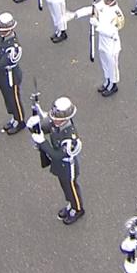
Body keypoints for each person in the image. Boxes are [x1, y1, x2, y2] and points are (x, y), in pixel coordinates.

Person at [26, 96, 85, 224]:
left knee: (71, 188)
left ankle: (77, 208)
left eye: (58, 119)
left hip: (68, 168)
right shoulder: (57, 124)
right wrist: (35, 125)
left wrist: (42, 142)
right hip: (60, 167)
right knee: (65, 188)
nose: (54, 121)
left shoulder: (70, 137)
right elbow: (46, 127)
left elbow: (57, 155)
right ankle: (71, 204)